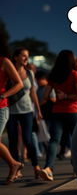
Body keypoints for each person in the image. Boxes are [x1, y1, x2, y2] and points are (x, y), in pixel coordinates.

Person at [39, 50, 77, 181]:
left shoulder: (53, 76)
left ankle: (48, 168)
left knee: (54, 140)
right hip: (72, 111)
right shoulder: (75, 74)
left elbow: (45, 95)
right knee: (76, 141)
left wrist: (58, 96)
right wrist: (67, 96)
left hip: (57, 111)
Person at [7, 48, 42, 179]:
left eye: (27, 56)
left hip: (27, 110)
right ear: (15, 57)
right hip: (10, 110)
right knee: (13, 140)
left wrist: (38, 110)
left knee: (28, 139)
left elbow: (32, 92)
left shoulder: (29, 73)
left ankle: (36, 167)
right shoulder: (8, 72)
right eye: (23, 56)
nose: (26, 58)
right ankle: (17, 168)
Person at [0, 55, 24, 184]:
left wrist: (3, 95)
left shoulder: (4, 61)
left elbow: (19, 84)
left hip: (1, 108)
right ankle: (14, 164)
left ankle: (14, 164)